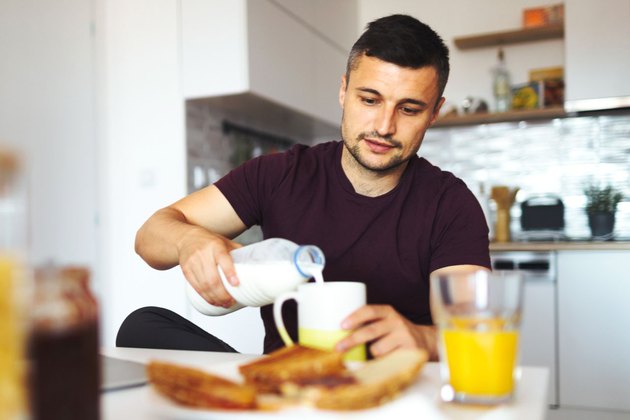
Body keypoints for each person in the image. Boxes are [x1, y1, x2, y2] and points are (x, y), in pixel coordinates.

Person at [117, 14, 490, 361]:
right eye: (369, 99)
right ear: (344, 91)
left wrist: (423, 339)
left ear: (434, 113)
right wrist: (188, 241)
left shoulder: (450, 205)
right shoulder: (280, 175)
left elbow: (477, 337)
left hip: (389, 394)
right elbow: (149, 238)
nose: (384, 125)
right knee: (143, 324)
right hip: (285, 392)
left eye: (408, 109)